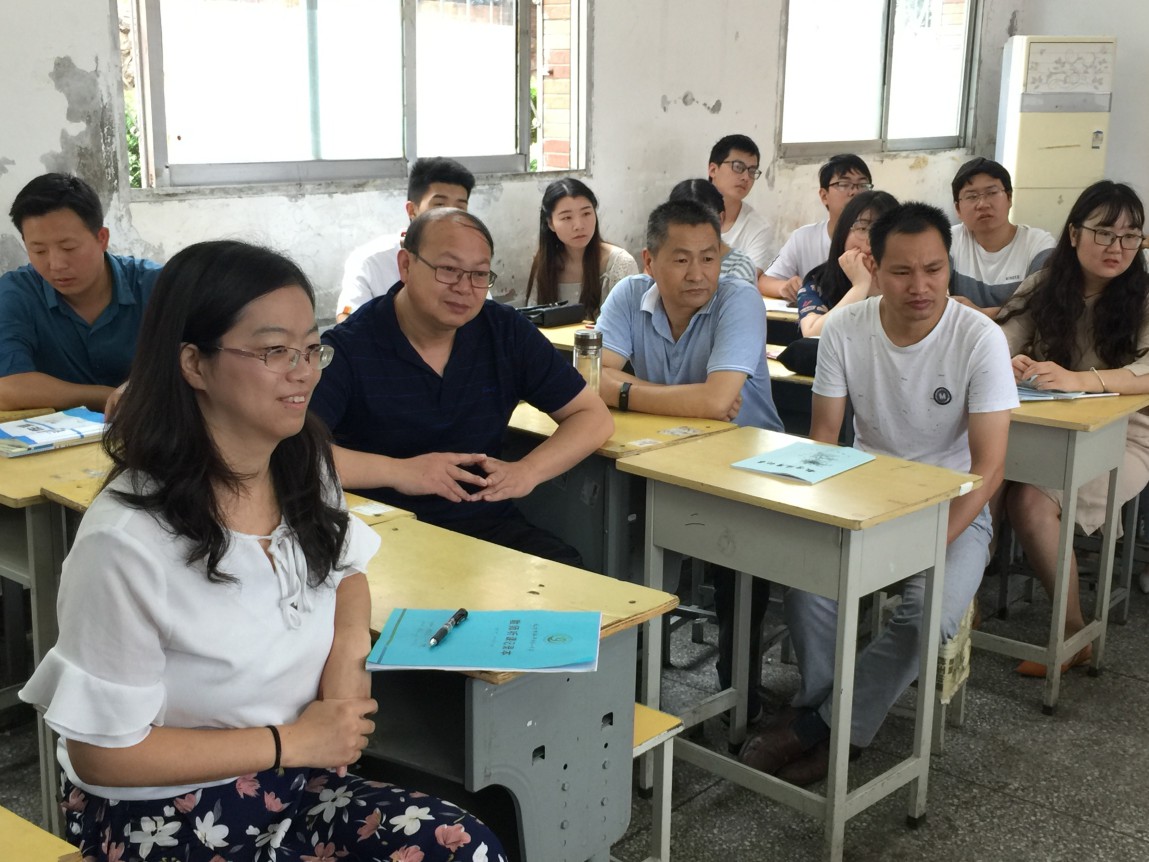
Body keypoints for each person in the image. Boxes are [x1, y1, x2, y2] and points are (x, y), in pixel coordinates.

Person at [20, 240, 506, 862]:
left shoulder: (301, 465)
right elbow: (102, 753)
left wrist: (346, 666)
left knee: (465, 848)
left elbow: (346, 570)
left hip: (294, 782)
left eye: (312, 348)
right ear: (193, 364)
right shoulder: (126, 541)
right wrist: (291, 741)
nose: (303, 371)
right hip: (165, 811)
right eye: (275, 351)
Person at [739, 202, 1016, 785]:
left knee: (927, 618)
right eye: (901, 272)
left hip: (954, 508)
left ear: (949, 267)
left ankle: (824, 730)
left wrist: (930, 541)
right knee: (807, 589)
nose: (920, 286)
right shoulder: (846, 328)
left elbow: (989, 468)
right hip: (863, 498)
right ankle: (829, 712)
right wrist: (810, 512)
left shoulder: (979, 339)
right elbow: (824, 437)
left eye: (934, 270)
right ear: (874, 267)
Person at [313, 208, 613, 566]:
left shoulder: (504, 332)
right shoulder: (349, 348)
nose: (464, 288)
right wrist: (400, 472)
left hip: (483, 526)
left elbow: (593, 417)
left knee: (569, 578)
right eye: (448, 269)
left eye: (479, 274)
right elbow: (295, 453)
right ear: (406, 265)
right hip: (379, 536)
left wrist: (527, 471)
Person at [595, 198, 783, 723]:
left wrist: (626, 390)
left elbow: (718, 401)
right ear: (649, 261)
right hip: (660, 458)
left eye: (709, 257)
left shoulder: (739, 299)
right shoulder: (628, 294)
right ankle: (627, 682)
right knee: (614, 540)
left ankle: (739, 687)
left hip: (744, 464)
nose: (698, 273)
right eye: (681, 259)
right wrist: (687, 399)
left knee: (737, 564)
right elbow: (591, 380)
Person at [997, 180, 1149, 676]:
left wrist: (1081, 380)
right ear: (1074, 234)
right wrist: (1010, 361)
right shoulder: (1045, 284)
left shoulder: (1144, 296)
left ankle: (1072, 632)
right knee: (982, 479)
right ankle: (956, 609)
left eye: (1131, 236)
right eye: (1104, 232)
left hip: (1124, 434)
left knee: (1029, 499)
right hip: (1045, 426)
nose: (1117, 247)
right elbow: (998, 341)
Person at [0, 172, 161, 411]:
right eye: (39, 251)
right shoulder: (17, 293)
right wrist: (111, 397)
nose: (56, 265)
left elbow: (199, 361)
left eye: (69, 248)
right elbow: (8, 389)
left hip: (153, 426)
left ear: (102, 238)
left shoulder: (156, 285)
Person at [335, 157, 475, 322]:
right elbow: (347, 319)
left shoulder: (470, 260)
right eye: (439, 206)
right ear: (412, 210)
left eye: (460, 208)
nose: (451, 217)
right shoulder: (370, 261)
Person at [949, 157, 1055, 319]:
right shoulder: (948, 240)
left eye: (992, 193)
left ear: (1009, 198)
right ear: (958, 208)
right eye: (971, 196)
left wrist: (978, 314)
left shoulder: (1039, 245)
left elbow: (1041, 309)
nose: (983, 204)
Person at [761, 154, 874, 300]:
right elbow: (765, 281)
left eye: (863, 185)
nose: (855, 192)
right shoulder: (804, 238)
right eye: (843, 184)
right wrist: (784, 287)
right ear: (824, 196)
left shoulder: (880, 237)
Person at [525, 178, 638, 319]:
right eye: (567, 217)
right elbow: (533, 320)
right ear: (551, 224)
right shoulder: (545, 262)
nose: (579, 225)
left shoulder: (620, 264)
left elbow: (631, 325)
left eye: (586, 213)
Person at [796, 190, 898, 338]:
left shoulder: (908, 280)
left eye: (883, 231)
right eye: (862, 228)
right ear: (843, 232)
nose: (871, 241)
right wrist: (860, 286)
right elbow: (812, 333)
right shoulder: (819, 281)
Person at [707, 134, 779, 297]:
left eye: (752, 171)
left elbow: (743, 285)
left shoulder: (759, 228)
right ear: (713, 170)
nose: (746, 177)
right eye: (738, 167)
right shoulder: (684, 212)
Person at [667, 178, 758, 285]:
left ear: (720, 219)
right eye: (683, 222)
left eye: (701, 222)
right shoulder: (666, 259)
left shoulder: (740, 267)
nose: (693, 232)